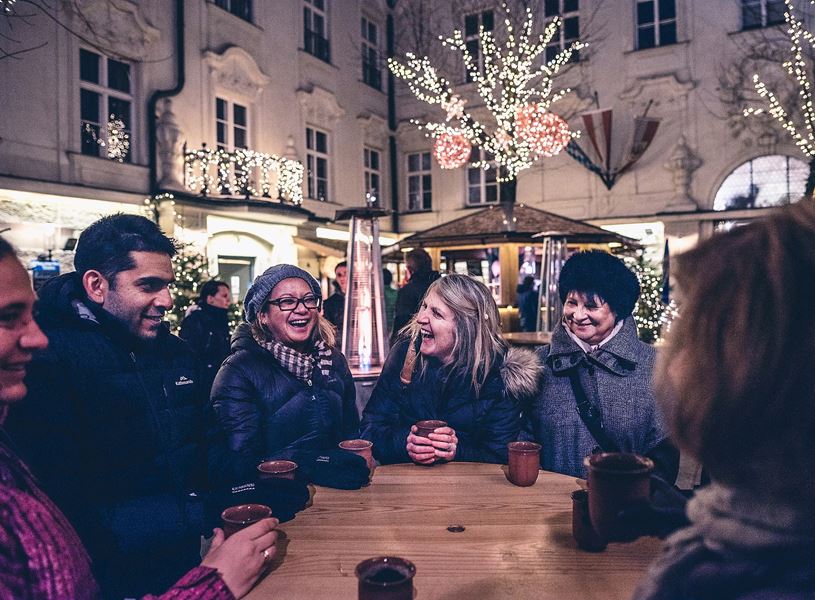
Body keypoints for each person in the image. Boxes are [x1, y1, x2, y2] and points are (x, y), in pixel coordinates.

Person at [0, 236, 278, 600]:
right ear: (97, 285)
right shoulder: (50, 364)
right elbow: (71, 504)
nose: (166, 300)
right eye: (148, 285)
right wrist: (199, 517)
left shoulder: (176, 353)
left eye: (167, 285)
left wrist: (248, 486)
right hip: (109, 578)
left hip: (183, 563)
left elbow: (206, 446)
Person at [633, 202, 815, 600]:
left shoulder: (717, 580)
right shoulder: (748, 527)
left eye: (688, 325)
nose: (673, 357)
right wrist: (678, 517)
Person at [524, 250, 679, 482]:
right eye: (572, 303)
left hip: (626, 510)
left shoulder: (653, 366)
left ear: (617, 309)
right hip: (548, 507)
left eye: (591, 306)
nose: (577, 315)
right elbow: (524, 441)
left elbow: (664, 453)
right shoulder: (538, 364)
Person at [361, 274, 541, 465]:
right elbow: (370, 428)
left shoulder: (501, 375)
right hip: (406, 487)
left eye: (436, 314)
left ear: (467, 328)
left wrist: (456, 449)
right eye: (424, 307)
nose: (421, 318)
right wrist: (406, 442)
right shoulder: (405, 355)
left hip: (471, 491)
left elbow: (499, 455)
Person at [210, 264, 362, 486]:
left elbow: (351, 432)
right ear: (262, 315)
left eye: (309, 299)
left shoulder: (334, 361)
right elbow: (239, 462)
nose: (301, 309)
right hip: (280, 501)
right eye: (287, 301)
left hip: (340, 492)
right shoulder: (239, 372)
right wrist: (313, 461)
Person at [180, 279, 232, 394]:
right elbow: (189, 356)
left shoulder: (220, 320)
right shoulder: (195, 321)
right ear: (210, 299)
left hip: (219, 382)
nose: (228, 300)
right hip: (203, 387)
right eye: (224, 296)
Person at [390, 248, 440, 345]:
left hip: (416, 344)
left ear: (409, 269)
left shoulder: (407, 291)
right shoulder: (443, 286)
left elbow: (401, 323)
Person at [322, 260, 347, 340]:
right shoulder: (330, 304)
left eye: (345, 273)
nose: (342, 277)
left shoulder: (364, 299)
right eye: (339, 275)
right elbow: (327, 331)